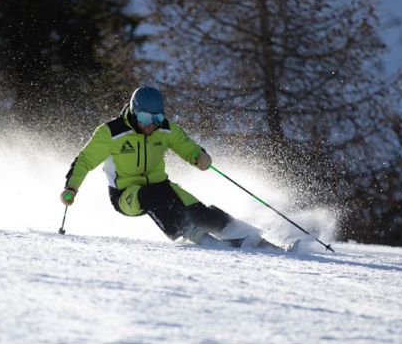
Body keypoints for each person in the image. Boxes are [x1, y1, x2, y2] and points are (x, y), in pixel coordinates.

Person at [61, 85, 275, 248]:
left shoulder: (164, 129)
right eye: (145, 117)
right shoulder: (111, 133)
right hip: (126, 196)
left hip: (162, 187)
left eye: (157, 117)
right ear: (135, 113)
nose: (151, 124)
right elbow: (85, 161)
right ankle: (194, 237)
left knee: (198, 211)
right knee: (152, 194)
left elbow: (185, 145)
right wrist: (71, 188)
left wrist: (199, 156)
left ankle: (251, 237)